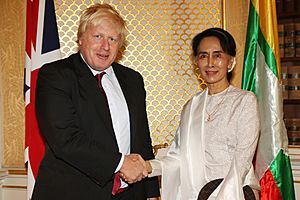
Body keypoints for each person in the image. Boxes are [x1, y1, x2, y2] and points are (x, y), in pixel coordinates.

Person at [32, 3, 159, 200]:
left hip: (130, 194)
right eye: (98, 36)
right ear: (81, 39)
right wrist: (120, 163)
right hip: (72, 192)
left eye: (112, 39)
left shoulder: (133, 80)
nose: (105, 46)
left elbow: (141, 136)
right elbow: (65, 139)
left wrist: (151, 192)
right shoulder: (56, 75)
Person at [143, 28, 260, 200]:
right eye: (203, 56)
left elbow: (241, 161)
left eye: (218, 55)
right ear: (196, 62)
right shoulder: (192, 106)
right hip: (196, 194)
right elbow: (177, 157)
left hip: (235, 192)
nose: (210, 63)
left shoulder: (244, 101)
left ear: (231, 62)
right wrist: (147, 167)